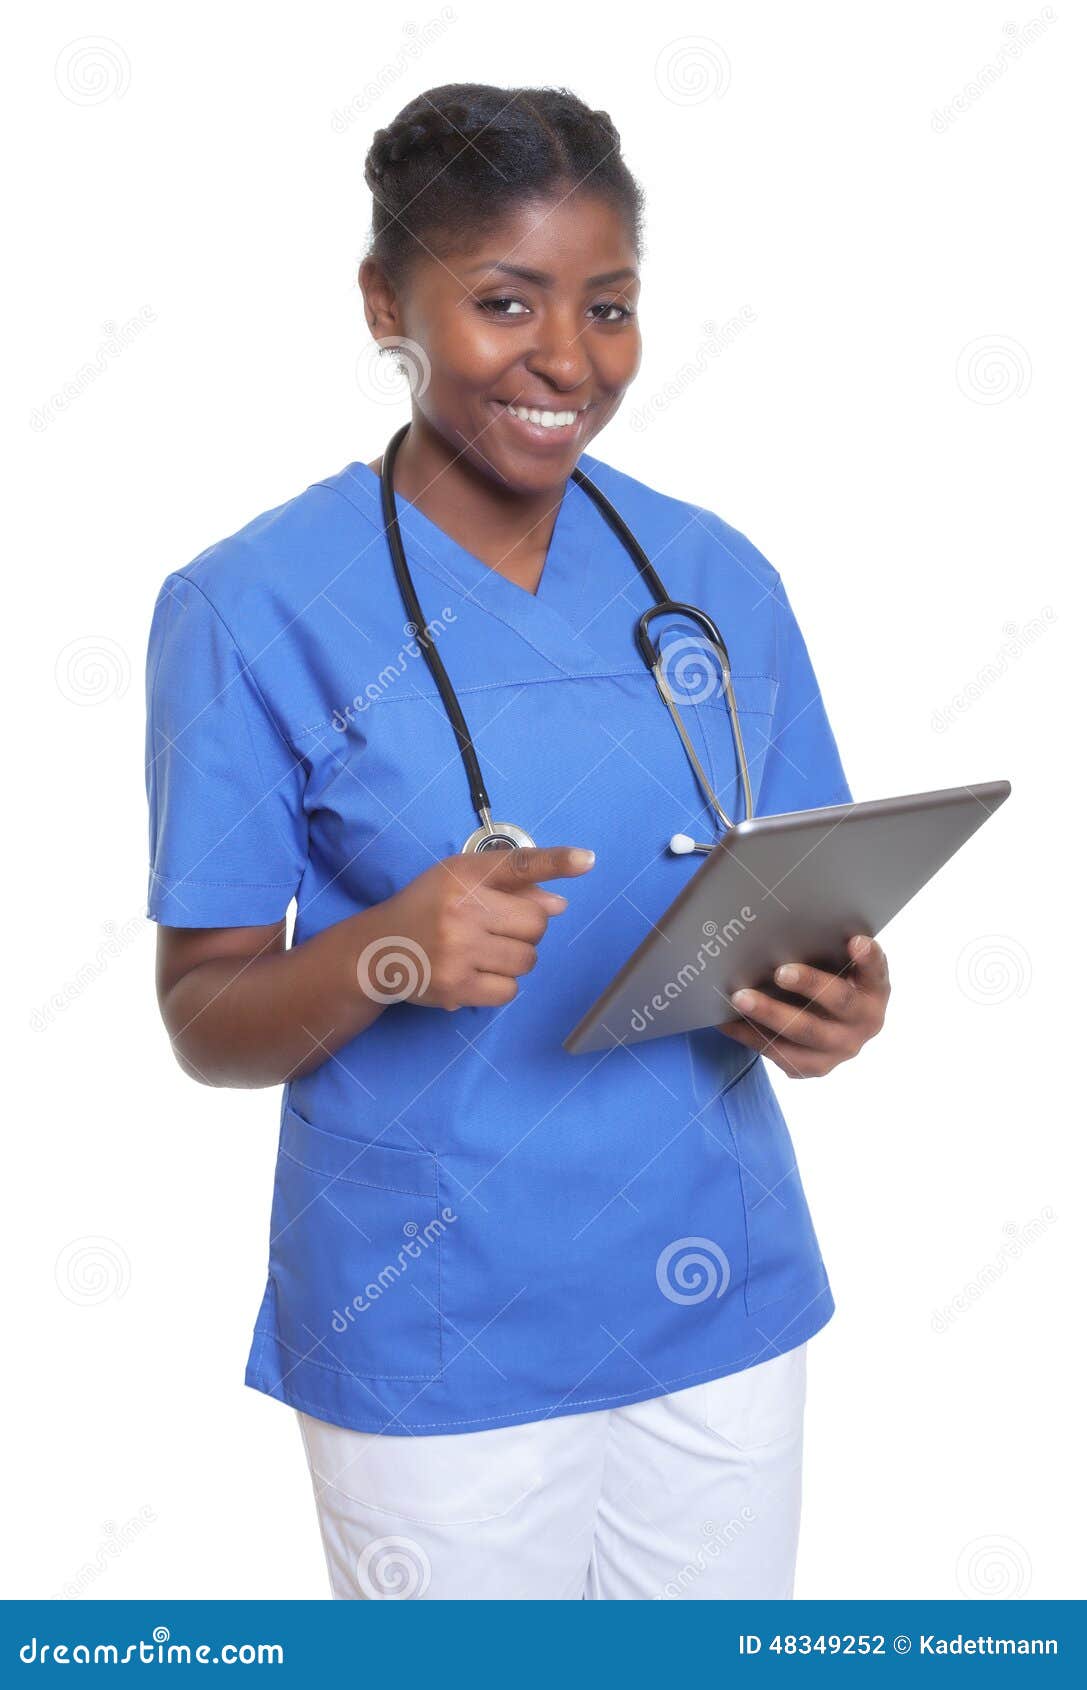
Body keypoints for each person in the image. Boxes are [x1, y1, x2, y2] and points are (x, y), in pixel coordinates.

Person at [144, 82, 890, 1601]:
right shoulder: (247, 606)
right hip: (434, 1325)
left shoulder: (712, 574)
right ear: (385, 303)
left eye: (608, 306)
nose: (568, 358)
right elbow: (205, 1016)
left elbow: (808, 900)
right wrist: (392, 947)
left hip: (718, 1300)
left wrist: (843, 1003)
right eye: (505, 302)